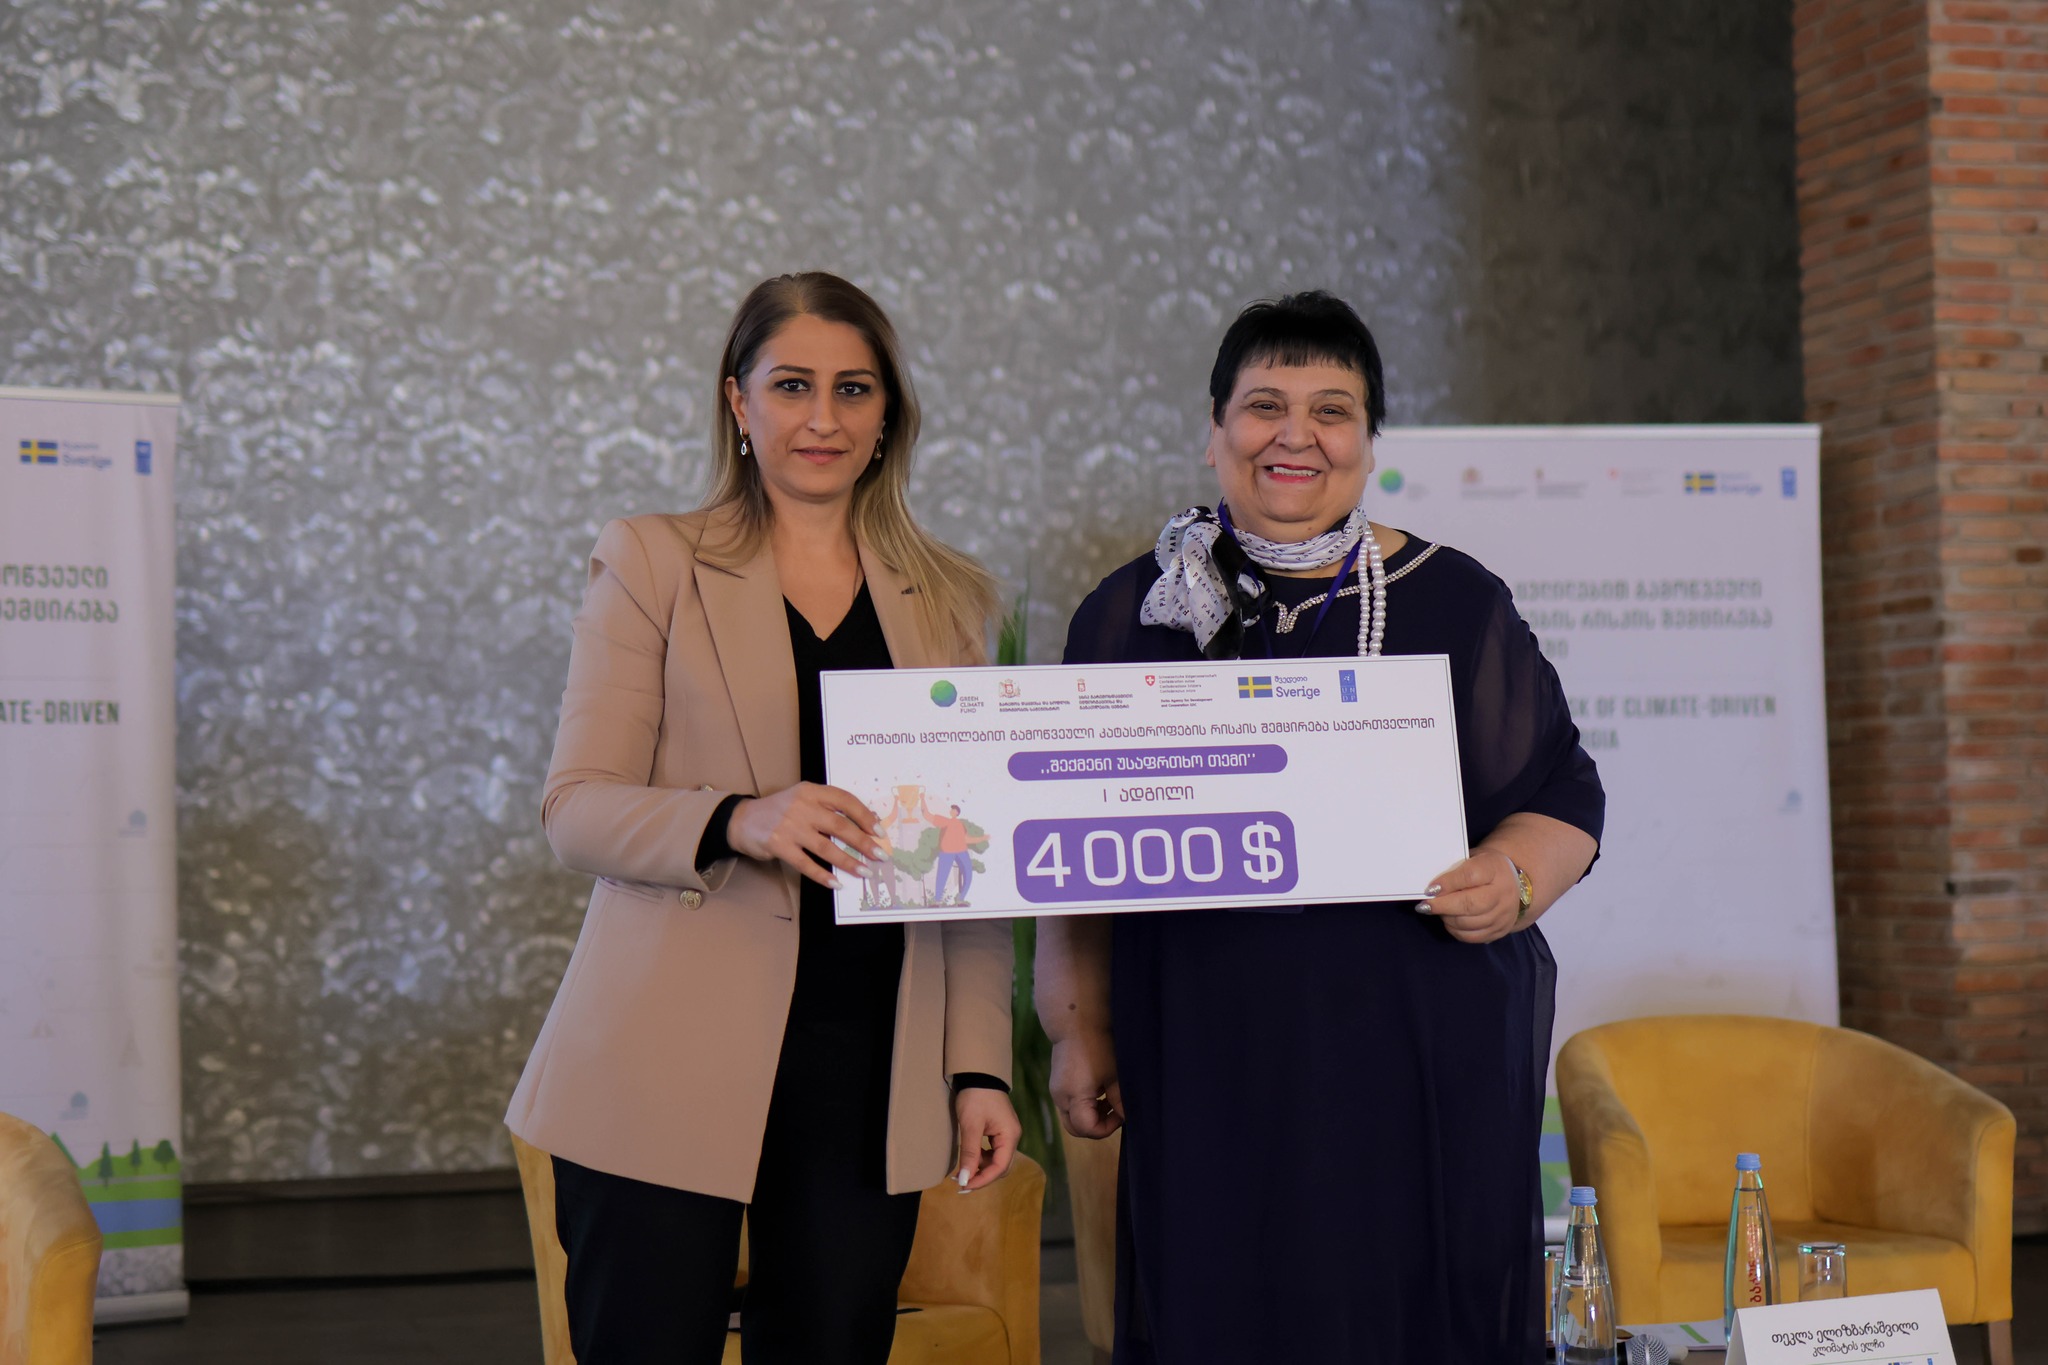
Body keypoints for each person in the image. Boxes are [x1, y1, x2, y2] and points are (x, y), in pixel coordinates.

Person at [1036, 291, 1604, 1363]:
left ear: (1368, 442)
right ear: (1214, 431)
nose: (1294, 435)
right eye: (1264, 406)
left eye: (1331, 410)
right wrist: (1076, 1027)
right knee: (1220, 1304)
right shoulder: (1134, 611)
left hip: (1417, 1056)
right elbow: (1068, 849)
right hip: (1205, 1055)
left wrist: (1512, 879)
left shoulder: (1455, 601)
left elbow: (1564, 792)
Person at [506, 272, 1022, 1365]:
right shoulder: (652, 559)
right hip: (662, 1058)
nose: (822, 417)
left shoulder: (950, 601)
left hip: (867, 1072)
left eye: (853, 389)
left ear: (887, 415)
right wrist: (739, 818)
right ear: (738, 402)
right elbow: (575, 808)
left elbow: (969, 871)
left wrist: (979, 1066)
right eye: (792, 386)